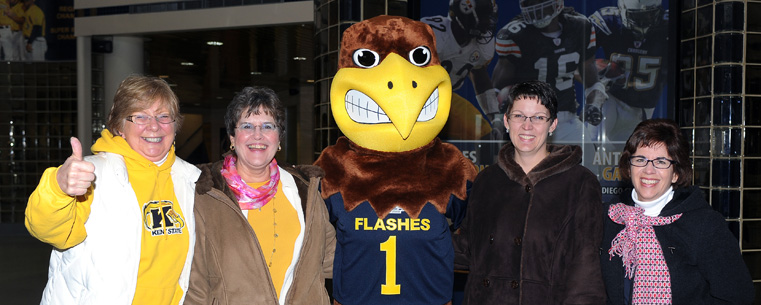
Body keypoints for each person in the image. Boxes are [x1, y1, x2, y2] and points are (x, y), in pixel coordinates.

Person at [25, 75, 201, 304]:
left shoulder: (192, 180)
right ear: (119, 126)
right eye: (140, 117)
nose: (154, 126)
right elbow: (46, 229)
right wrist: (58, 187)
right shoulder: (91, 174)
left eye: (163, 116)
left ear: (175, 126)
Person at [453, 80, 605, 304]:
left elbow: (586, 270)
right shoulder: (487, 180)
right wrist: (417, 233)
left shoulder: (580, 183)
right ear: (506, 120)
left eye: (538, 117)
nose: (527, 125)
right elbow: (467, 248)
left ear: (552, 124)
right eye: (519, 116)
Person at [185, 86, 336, 305]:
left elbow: (332, 259)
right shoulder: (206, 194)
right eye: (247, 126)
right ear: (232, 137)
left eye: (268, 126)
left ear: (279, 137)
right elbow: (196, 283)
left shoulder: (304, 190)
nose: (258, 135)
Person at [600, 119, 754, 304]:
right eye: (641, 160)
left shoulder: (704, 224)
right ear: (629, 166)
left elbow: (738, 296)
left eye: (661, 161)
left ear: (676, 173)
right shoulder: (611, 217)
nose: (649, 170)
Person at [492, 0, 606, 144]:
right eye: (529, 3)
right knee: (527, 166)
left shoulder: (580, 27)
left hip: (567, 119)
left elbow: (592, 81)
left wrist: (594, 105)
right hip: (528, 119)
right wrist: (498, 119)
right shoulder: (515, 34)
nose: (535, 10)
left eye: (540, 3)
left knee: (587, 164)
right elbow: (498, 88)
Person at [588, 0, 669, 143]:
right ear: (623, 12)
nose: (644, 23)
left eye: (650, 16)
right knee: (592, 141)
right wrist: (596, 69)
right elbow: (577, 54)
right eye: (637, 17)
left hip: (643, 107)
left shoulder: (668, 26)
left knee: (627, 155)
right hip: (611, 97)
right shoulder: (609, 21)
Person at [421, 0, 502, 139]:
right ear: (465, 15)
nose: (487, 23)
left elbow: (480, 77)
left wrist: (494, 116)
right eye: (483, 17)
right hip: (415, 94)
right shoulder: (432, 34)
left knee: (484, 134)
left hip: (445, 97)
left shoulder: (483, 46)